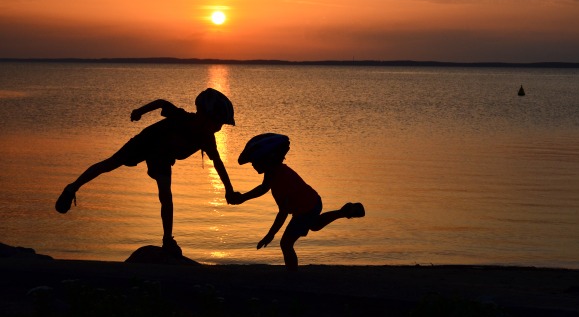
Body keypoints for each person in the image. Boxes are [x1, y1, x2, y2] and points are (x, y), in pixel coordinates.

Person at [55, 88, 237, 257]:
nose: (219, 128)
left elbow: (218, 163)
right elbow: (161, 103)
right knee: (110, 164)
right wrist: (139, 111)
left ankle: (167, 240)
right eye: (217, 122)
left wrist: (228, 189)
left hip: (162, 157)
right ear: (203, 115)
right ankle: (72, 188)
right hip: (146, 141)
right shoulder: (181, 118)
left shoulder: (207, 139)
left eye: (221, 124)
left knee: (166, 195)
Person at [231, 133, 365, 271]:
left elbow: (283, 213)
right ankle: (344, 212)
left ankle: (292, 274)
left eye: (255, 161)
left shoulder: (281, 179)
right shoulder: (272, 172)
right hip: (312, 202)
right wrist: (242, 198)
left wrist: (270, 235)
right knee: (314, 225)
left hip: (306, 208)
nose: (253, 165)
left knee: (286, 243)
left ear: (267, 159)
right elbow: (263, 188)